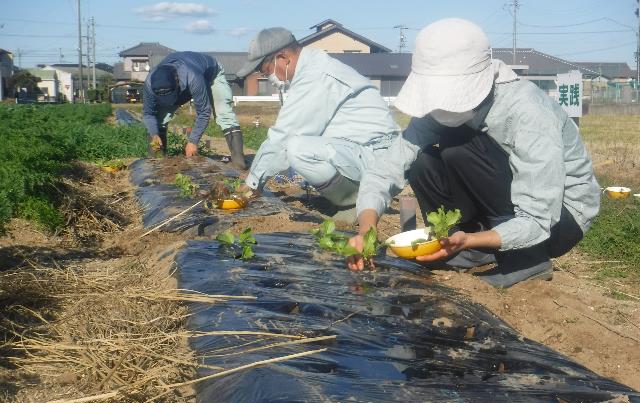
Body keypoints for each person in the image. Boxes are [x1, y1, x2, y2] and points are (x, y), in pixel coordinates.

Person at [348, 18, 600, 288]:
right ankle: (464, 248)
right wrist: (367, 229)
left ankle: (526, 260)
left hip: (558, 220)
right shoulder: (437, 110)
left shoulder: (527, 111)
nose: (440, 107)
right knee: (421, 161)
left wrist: (471, 239)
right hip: (501, 212)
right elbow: (389, 166)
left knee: (461, 149)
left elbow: (539, 217)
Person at [235, 28, 400, 218]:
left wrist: (251, 185)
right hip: (361, 152)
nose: (270, 78)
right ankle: (348, 196)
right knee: (303, 145)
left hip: (379, 159)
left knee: (298, 147)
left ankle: (354, 204)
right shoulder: (313, 67)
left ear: (283, 57)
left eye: (267, 71)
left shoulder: (315, 76)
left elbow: (283, 136)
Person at [143, 51, 246, 169]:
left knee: (223, 113)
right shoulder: (149, 84)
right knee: (160, 118)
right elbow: (148, 113)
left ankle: (239, 163)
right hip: (183, 82)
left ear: (177, 82)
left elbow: (203, 112)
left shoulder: (193, 77)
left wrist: (193, 141)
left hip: (211, 75)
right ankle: (158, 163)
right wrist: (154, 134)